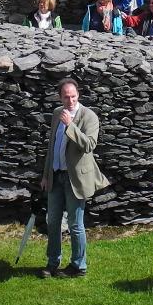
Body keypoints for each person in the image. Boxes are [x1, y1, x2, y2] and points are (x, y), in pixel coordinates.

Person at [39, 78, 109, 278]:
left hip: (75, 179)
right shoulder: (56, 114)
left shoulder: (89, 116)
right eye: (66, 97)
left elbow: (89, 145)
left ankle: (79, 266)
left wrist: (70, 126)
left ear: (78, 95)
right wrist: (46, 175)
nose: (70, 100)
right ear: (60, 97)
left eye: (73, 96)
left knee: (75, 224)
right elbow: (51, 147)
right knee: (52, 221)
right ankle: (53, 263)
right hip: (56, 176)